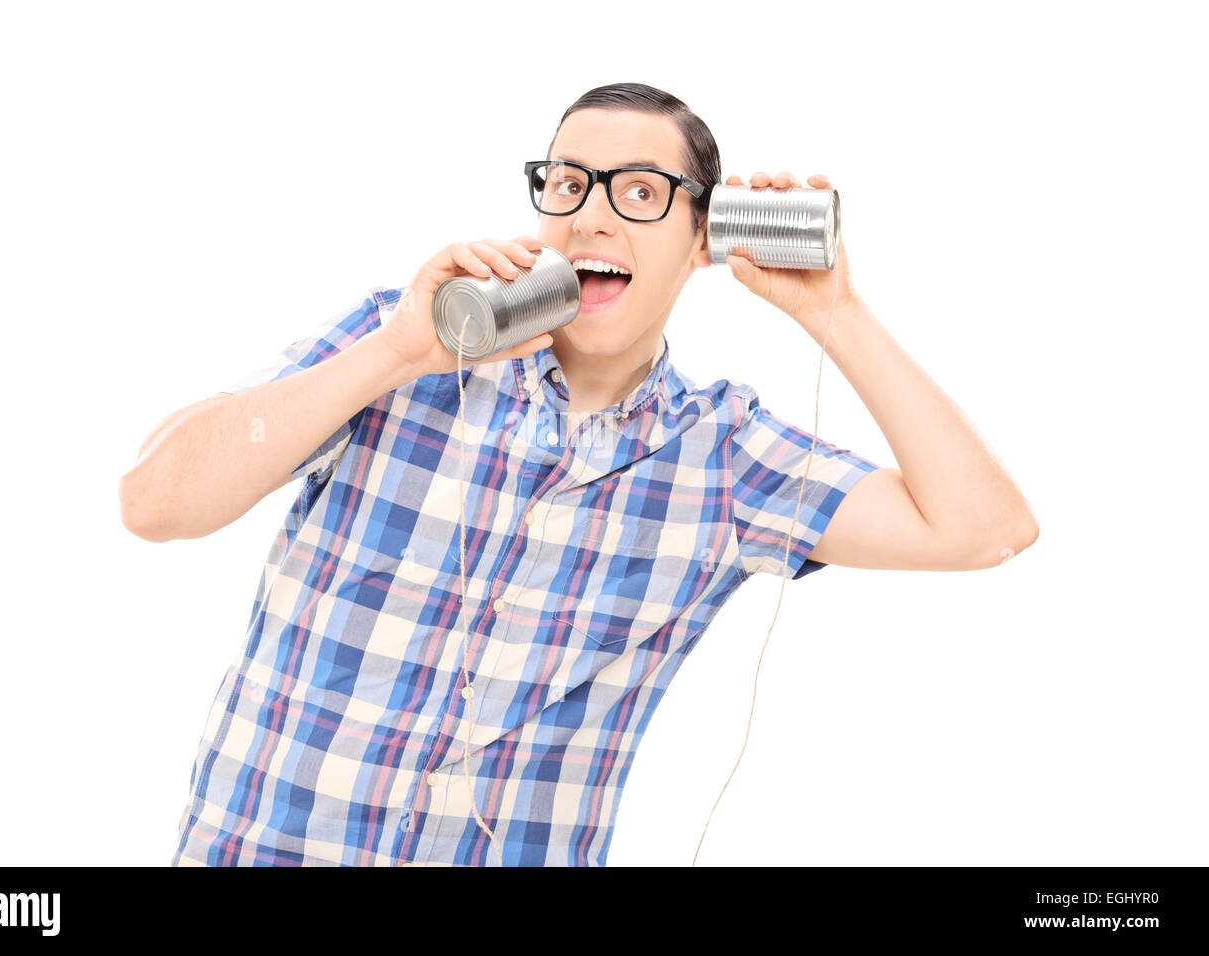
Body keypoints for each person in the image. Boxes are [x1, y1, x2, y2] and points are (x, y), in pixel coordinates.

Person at [121, 82, 1038, 867]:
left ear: (704, 240)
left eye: (641, 190)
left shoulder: (726, 456)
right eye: (568, 183)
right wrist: (396, 353)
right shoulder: (399, 341)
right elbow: (154, 504)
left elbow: (984, 529)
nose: (592, 212)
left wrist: (839, 313)